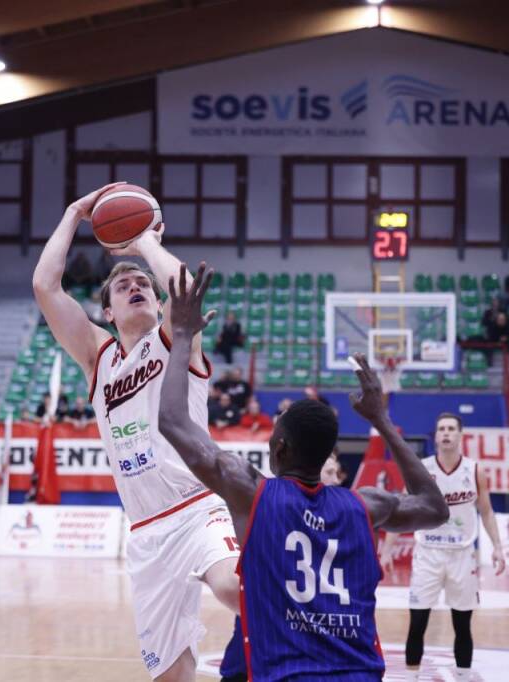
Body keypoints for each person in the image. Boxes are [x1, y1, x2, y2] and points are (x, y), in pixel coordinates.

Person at [156, 262, 449, 682]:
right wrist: (381, 420)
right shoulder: (366, 505)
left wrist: (182, 334)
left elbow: (171, 420)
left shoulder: (251, 492)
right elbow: (434, 507)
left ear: (279, 447)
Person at [33, 184, 240, 682]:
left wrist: (145, 240)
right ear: (106, 313)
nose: (136, 286)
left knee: (236, 589)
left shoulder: (175, 338)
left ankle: (286, 658)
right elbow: (46, 287)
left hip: (198, 505)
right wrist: (73, 214)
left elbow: (184, 289)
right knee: (170, 676)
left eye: (143, 284)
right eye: (123, 287)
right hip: (147, 532)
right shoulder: (97, 357)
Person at [380, 413, 507, 681]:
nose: (446, 433)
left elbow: (486, 511)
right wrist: (388, 549)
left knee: (462, 624)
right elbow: (401, 509)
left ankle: (462, 676)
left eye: (451, 429)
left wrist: (497, 546)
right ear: (436, 436)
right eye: (442, 429)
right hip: (428, 553)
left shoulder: (474, 469)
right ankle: (412, 677)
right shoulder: (422, 469)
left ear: (460, 435)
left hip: (462, 554)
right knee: (417, 623)